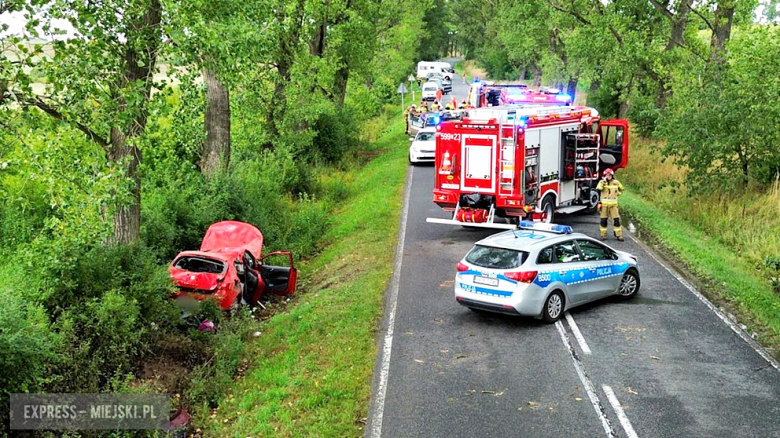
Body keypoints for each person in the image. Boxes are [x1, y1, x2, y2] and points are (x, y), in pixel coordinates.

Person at [596, 168, 624, 241]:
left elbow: (622, 189)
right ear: (605, 176)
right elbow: (598, 188)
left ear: (612, 176)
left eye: (610, 175)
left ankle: (619, 235)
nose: (609, 177)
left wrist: (617, 193)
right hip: (604, 206)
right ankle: (603, 236)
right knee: (603, 221)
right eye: (607, 175)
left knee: (616, 221)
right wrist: (603, 182)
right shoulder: (601, 182)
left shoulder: (616, 182)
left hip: (613, 206)